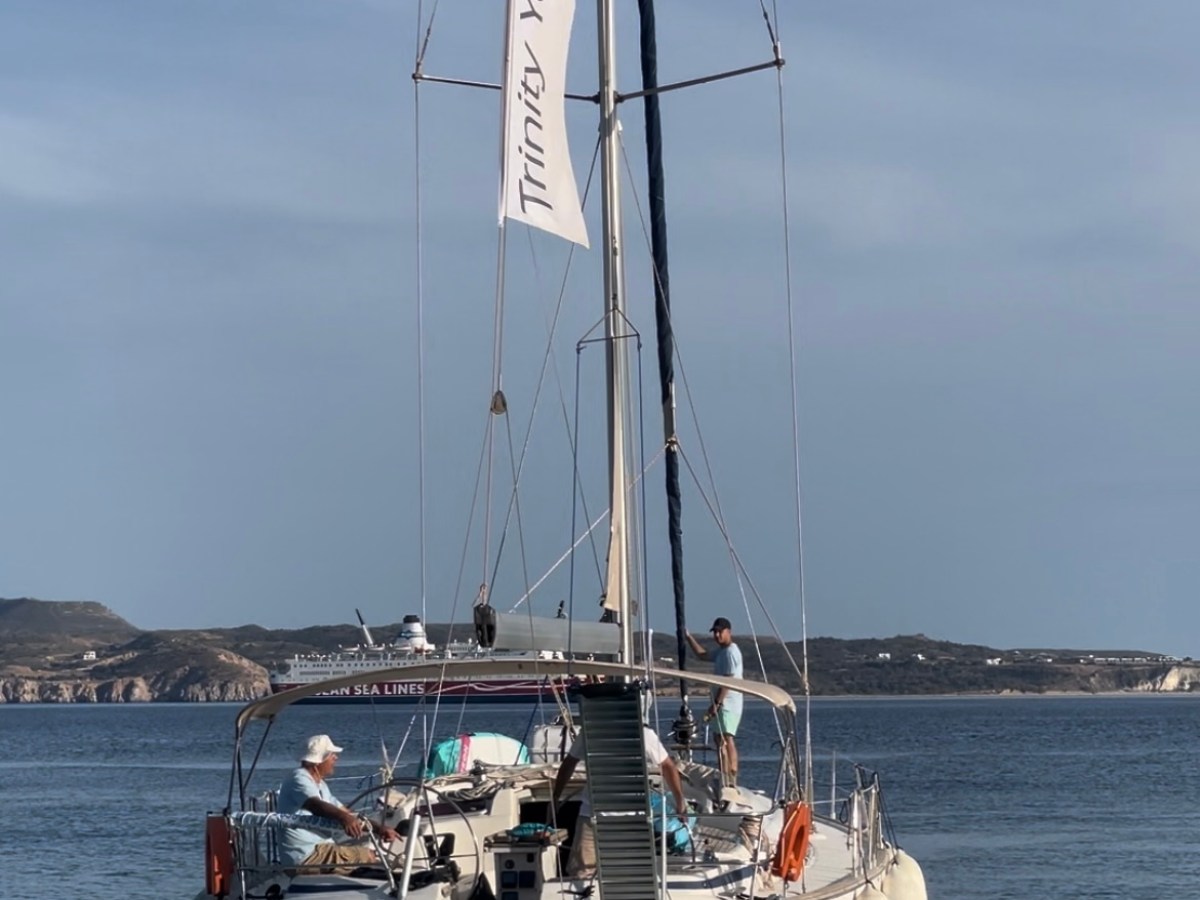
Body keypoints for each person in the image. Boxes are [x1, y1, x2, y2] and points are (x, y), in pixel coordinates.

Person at [551, 722, 686, 878]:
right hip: (594, 815)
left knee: (625, 874)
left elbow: (667, 766)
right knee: (581, 874)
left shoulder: (643, 734)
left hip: (626, 818)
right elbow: (569, 763)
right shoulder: (590, 732)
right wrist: (555, 797)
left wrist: (680, 801)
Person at [277, 734, 400, 871]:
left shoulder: (320, 785)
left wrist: (379, 829)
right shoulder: (299, 778)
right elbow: (315, 805)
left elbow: (345, 812)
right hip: (305, 856)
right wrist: (344, 818)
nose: (336, 758)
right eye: (331, 755)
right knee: (369, 856)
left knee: (370, 853)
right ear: (318, 760)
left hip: (321, 848)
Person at [685, 616, 743, 786]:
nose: (717, 635)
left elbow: (728, 681)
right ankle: (724, 775)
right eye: (715, 632)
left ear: (728, 632)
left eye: (720, 632)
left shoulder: (731, 652)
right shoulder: (722, 652)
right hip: (722, 704)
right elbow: (702, 655)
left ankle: (730, 777)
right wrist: (688, 637)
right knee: (719, 739)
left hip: (728, 704)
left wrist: (716, 704)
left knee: (726, 738)